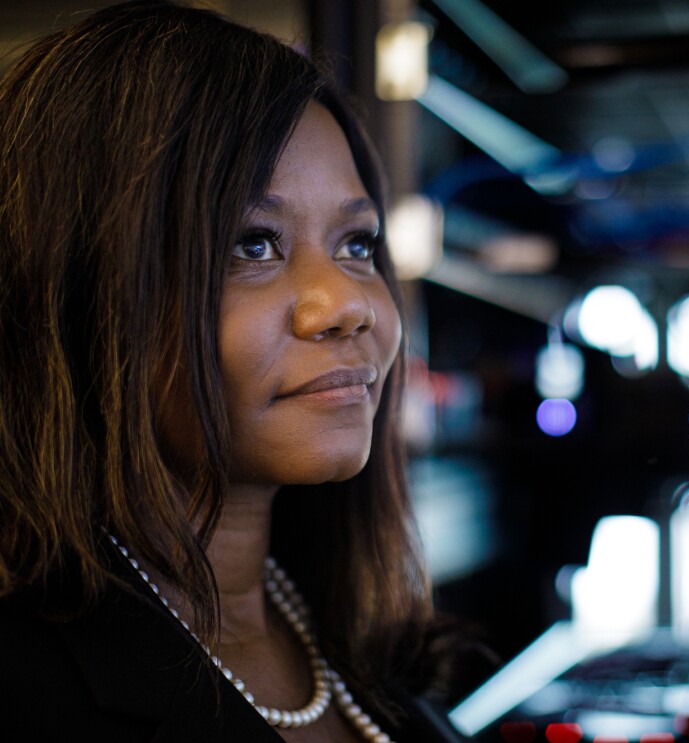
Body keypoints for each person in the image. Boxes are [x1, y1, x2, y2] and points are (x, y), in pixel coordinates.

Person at [0, 2, 475, 740]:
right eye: (253, 244)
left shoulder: (356, 638)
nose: (348, 304)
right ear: (72, 288)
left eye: (357, 244)